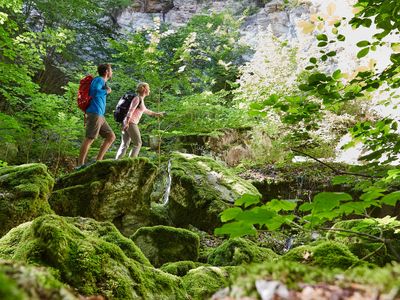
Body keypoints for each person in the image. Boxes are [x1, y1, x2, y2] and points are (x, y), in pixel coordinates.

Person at [77, 63, 116, 168]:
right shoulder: (99, 80)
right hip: (94, 112)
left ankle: (98, 161)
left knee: (111, 136)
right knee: (90, 138)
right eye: (111, 70)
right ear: (107, 72)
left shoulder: (102, 82)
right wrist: (106, 91)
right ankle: (80, 165)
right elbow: (94, 92)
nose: (112, 72)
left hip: (100, 114)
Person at [115, 82, 164, 159]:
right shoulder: (137, 98)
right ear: (144, 89)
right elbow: (130, 111)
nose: (150, 90)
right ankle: (131, 162)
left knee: (125, 144)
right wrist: (127, 122)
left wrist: (157, 114)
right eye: (149, 88)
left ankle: (117, 162)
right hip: (131, 123)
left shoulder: (140, 100)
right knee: (138, 143)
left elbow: (146, 111)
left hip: (127, 123)